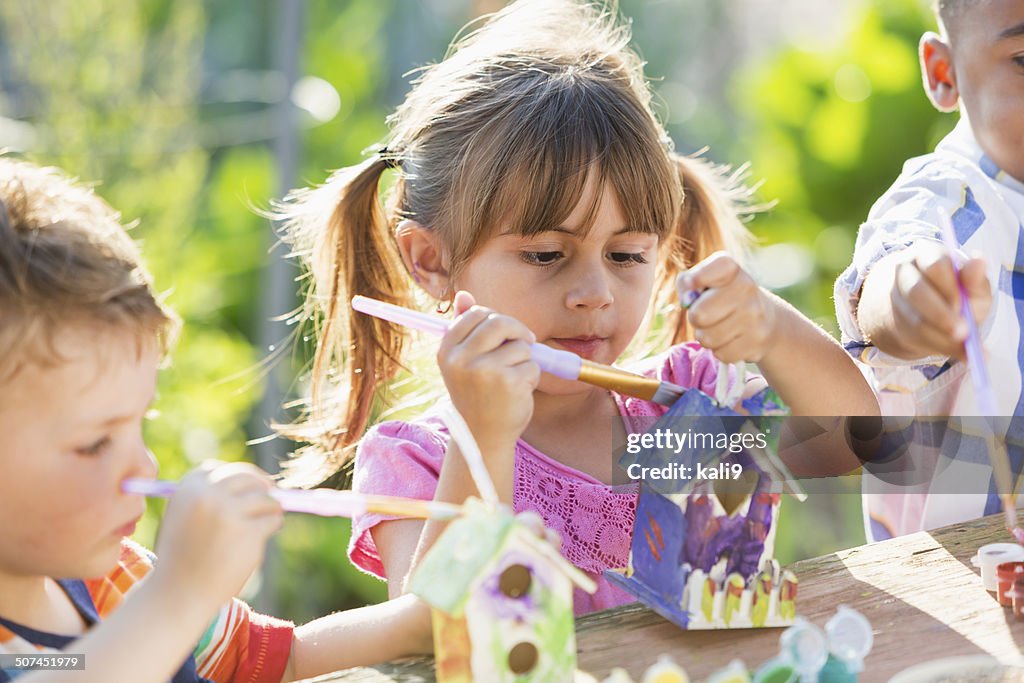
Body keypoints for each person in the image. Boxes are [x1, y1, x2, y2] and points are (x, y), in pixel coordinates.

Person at [279, 0, 877, 614]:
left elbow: (856, 445)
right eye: (544, 255)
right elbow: (434, 629)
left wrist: (772, 329)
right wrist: (481, 436)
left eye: (625, 256)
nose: (594, 292)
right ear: (430, 260)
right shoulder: (416, 460)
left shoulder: (687, 406)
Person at [0, 157, 430, 683]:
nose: (142, 462)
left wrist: (424, 619)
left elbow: (277, 661)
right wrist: (180, 593)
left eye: (141, 423)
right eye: (94, 443)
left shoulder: (119, 582)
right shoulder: (153, 604)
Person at [834, 0, 1024, 540]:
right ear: (945, 72)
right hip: (959, 594)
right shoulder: (960, 196)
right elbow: (897, 259)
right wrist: (913, 290)